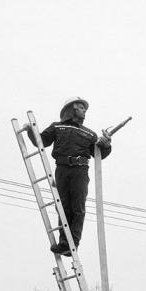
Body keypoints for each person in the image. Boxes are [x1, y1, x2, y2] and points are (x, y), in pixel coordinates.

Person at [26, 96, 112, 255]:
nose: (84, 111)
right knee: (63, 206)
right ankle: (64, 243)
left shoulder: (89, 134)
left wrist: (106, 145)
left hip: (80, 170)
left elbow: (99, 153)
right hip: (62, 168)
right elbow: (42, 141)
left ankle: (74, 243)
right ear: (72, 109)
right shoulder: (58, 127)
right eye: (81, 107)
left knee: (77, 207)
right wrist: (31, 131)